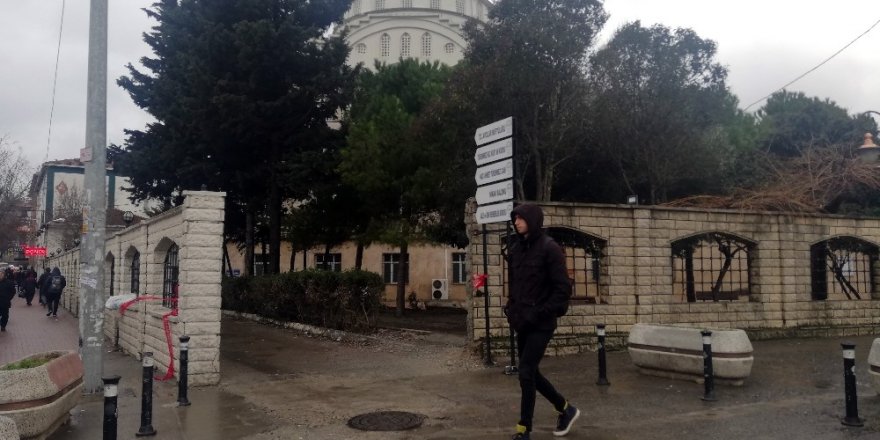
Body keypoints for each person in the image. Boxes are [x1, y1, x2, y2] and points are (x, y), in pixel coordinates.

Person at [504, 204, 579, 439]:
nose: (516, 222)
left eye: (521, 218)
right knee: (530, 372)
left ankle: (524, 429)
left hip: (542, 322)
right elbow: (516, 285)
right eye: (515, 218)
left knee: (525, 372)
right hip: (522, 322)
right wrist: (511, 307)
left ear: (533, 220)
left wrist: (539, 312)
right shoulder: (516, 249)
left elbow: (562, 290)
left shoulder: (550, 248)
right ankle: (566, 408)